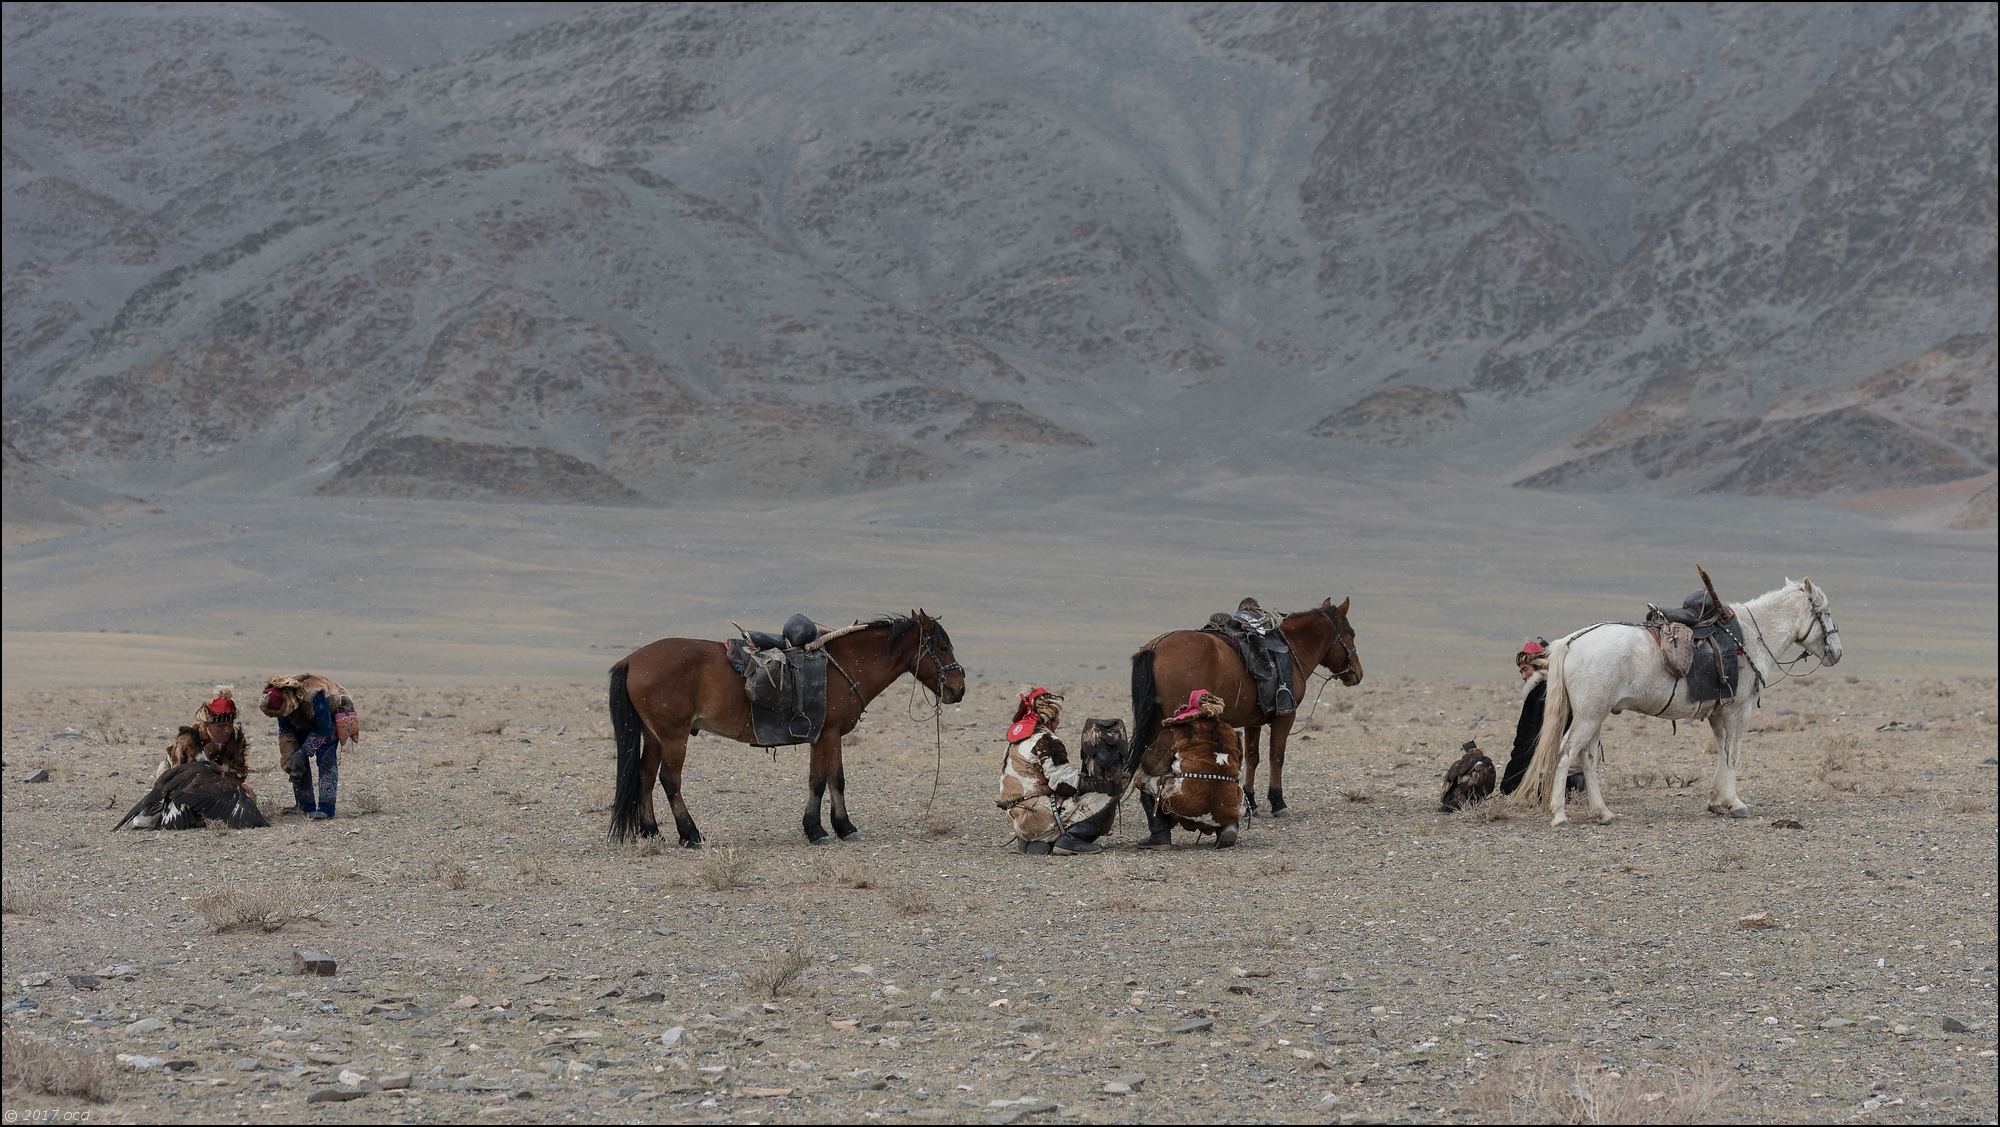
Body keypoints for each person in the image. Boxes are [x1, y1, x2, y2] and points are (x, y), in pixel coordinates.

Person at [995, 688, 1119, 856]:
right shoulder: (1046, 740)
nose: (1059, 720)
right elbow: (1062, 782)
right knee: (1106, 795)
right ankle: (1071, 840)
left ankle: (1032, 840)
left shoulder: (1018, 740)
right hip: (1036, 816)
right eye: (1057, 716)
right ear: (1049, 718)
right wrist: (1097, 783)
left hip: (1016, 818)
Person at [261, 674, 356, 820]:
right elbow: (286, 731)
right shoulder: (280, 701)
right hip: (302, 719)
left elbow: (325, 729)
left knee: (326, 760)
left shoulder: (314, 696)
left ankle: (326, 809)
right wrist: (291, 757)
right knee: (296, 762)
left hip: (326, 720)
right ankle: (304, 806)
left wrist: (304, 751)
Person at [1499, 639, 1586, 798]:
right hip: (1579, 773)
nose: (1523, 676)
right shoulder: (1570, 688)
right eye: (1521, 672)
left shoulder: (1538, 694)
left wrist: (1511, 781)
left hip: (1552, 776)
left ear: (1538, 666)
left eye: (1525, 669)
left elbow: (1527, 740)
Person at [159, 686, 253, 797]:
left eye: (229, 725)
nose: (227, 730)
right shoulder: (189, 741)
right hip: (180, 783)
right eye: (221, 726)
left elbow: (237, 771)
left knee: (248, 799)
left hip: (218, 785)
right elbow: (181, 778)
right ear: (207, 725)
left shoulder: (236, 738)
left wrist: (236, 788)